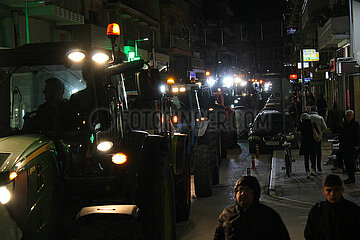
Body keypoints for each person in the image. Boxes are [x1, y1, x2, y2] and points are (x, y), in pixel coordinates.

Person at [213, 176, 290, 240]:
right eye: (240, 190)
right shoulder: (227, 215)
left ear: (255, 193)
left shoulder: (269, 216)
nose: (243, 193)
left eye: (247, 190)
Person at [304, 174, 360, 240]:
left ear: (342, 190)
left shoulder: (353, 211)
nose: (332, 194)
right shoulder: (317, 211)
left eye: (336, 190)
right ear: (323, 191)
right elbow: (309, 235)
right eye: (328, 190)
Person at [339, 110, 360, 184]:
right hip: (345, 146)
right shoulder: (344, 125)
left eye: (350, 115)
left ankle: (352, 178)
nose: (348, 117)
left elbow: (357, 135)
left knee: (351, 163)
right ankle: (349, 177)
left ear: (353, 116)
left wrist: (357, 145)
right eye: (347, 115)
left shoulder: (355, 124)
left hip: (352, 146)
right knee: (347, 163)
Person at [299, 113, 317, 178]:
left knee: (306, 158)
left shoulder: (302, 125)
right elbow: (316, 131)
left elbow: (300, 132)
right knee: (313, 157)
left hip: (305, 143)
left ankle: (307, 172)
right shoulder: (312, 124)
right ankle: (313, 170)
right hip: (312, 143)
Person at [309, 105, 327, 172]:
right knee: (318, 153)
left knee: (312, 153)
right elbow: (324, 128)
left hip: (310, 139)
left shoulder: (308, 118)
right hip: (318, 138)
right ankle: (319, 166)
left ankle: (313, 167)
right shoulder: (320, 118)